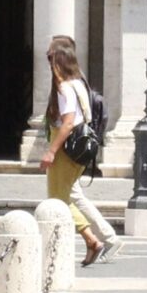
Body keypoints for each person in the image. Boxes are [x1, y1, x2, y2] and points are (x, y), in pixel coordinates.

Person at [40, 36, 118, 267]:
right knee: (66, 197)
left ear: (58, 63)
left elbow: (67, 123)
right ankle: (91, 240)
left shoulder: (64, 88)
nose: (47, 63)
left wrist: (51, 151)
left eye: (49, 58)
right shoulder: (79, 84)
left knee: (58, 200)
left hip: (65, 147)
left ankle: (92, 240)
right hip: (79, 149)